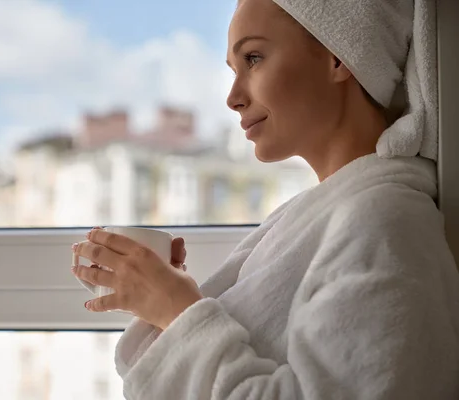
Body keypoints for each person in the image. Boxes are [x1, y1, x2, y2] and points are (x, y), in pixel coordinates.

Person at [71, 0, 459, 398]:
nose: (233, 97)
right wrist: (164, 299)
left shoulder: (384, 223)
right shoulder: (320, 218)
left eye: (253, 58)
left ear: (340, 56)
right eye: (234, 69)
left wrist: (178, 311)